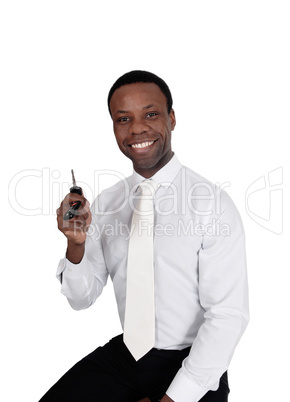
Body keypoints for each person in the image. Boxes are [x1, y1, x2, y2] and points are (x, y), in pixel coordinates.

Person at [40, 70, 249, 402]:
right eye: (124, 118)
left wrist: (173, 399)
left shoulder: (211, 204)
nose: (136, 128)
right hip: (127, 356)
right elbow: (81, 298)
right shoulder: (108, 203)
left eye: (150, 114)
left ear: (172, 118)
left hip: (192, 360)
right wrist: (75, 245)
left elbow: (227, 316)